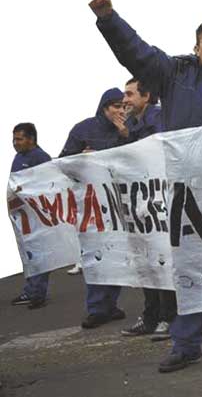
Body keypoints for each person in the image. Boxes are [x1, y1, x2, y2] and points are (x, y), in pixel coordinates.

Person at [89, 0, 202, 377]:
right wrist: (108, 18)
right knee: (188, 274)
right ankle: (185, 345)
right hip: (184, 195)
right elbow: (136, 53)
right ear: (197, 48)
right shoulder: (175, 74)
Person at [61, 88, 129, 330]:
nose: (121, 111)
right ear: (104, 107)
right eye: (116, 107)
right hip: (92, 208)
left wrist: (124, 135)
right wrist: (81, 157)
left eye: (124, 107)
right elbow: (63, 163)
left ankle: (110, 305)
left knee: (117, 256)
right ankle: (97, 308)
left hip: (118, 206)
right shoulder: (83, 129)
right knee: (96, 256)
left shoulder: (127, 132)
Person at [117, 78, 175, 342]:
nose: (125, 100)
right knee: (147, 262)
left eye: (130, 94)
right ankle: (151, 316)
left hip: (160, 203)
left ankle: (169, 317)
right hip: (140, 205)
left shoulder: (159, 118)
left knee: (163, 261)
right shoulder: (129, 126)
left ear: (146, 96)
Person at [10, 123, 53, 310]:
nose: (15, 143)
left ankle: (37, 294)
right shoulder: (19, 157)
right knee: (28, 253)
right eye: (14, 139)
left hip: (39, 215)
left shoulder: (41, 158)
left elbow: (49, 185)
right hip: (23, 214)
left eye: (19, 139)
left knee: (40, 253)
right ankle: (30, 290)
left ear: (31, 139)